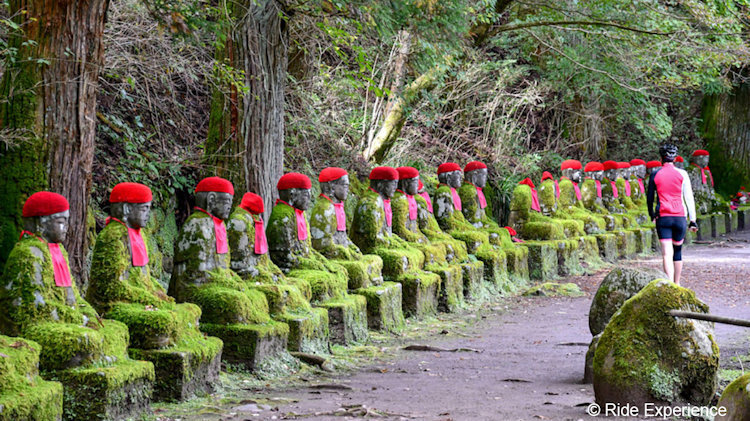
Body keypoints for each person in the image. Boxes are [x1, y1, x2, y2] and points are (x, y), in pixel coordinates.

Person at [647, 143, 698, 285]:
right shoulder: (682, 174)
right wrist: (693, 220)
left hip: (663, 217)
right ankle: (677, 283)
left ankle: (669, 284)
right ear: (675, 158)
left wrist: (652, 214)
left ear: (661, 158)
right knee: (678, 251)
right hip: (680, 216)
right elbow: (689, 197)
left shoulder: (655, 174)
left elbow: (650, 198)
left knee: (666, 253)